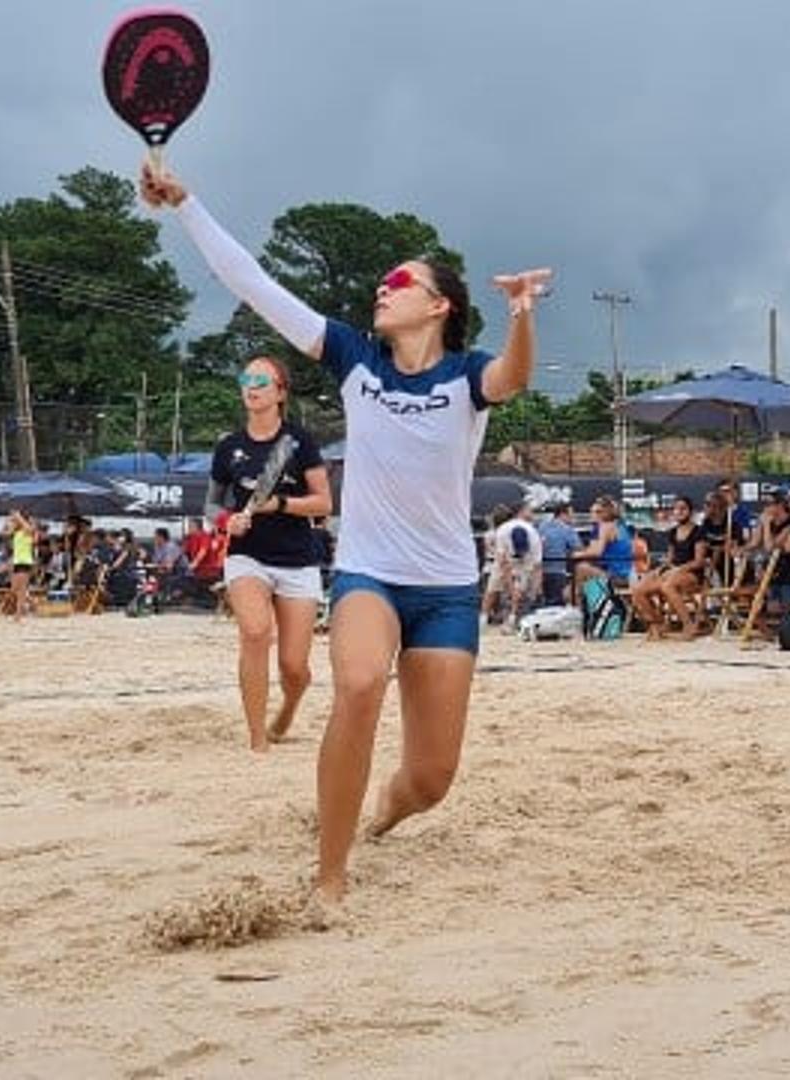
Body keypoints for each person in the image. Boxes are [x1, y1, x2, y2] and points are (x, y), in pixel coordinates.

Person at [145, 159, 550, 906]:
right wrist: (186, 204)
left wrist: (523, 312)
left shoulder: (466, 377)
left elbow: (515, 379)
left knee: (430, 779)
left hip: (447, 589)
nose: (383, 289)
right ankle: (329, 879)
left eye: (400, 282)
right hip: (370, 572)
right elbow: (255, 285)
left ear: (439, 306)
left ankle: (386, 815)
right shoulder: (355, 360)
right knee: (359, 683)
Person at [207, 355, 334, 752]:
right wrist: (227, 519)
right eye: (246, 377)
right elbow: (211, 506)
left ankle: (289, 706)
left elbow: (323, 503)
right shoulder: (229, 447)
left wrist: (277, 504)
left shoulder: (300, 441)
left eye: (262, 379)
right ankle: (257, 738)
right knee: (255, 632)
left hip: (298, 557)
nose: (252, 385)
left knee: (294, 668)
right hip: (247, 556)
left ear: (281, 392)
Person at [630, 495, 710, 638]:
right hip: (673, 572)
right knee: (638, 589)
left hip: (692, 575)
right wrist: (660, 569)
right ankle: (657, 623)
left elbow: (699, 561)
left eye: (683, 509)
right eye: (676, 509)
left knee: (668, 586)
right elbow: (670, 559)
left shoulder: (699, 531)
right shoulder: (673, 532)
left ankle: (688, 625)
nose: (679, 512)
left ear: (690, 512)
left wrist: (678, 569)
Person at [571, 495, 636, 600]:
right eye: (592, 512)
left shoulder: (605, 526)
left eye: (597, 512)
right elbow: (594, 549)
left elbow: (597, 552)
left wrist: (576, 554)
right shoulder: (621, 525)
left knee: (581, 568)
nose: (593, 515)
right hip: (625, 574)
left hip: (616, 576)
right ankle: (588, 604)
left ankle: (578, 608)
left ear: (606, 513)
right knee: (567, 592)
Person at [490, 503, 542, 630]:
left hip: (523, 567)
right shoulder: (506, 532)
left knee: (519, 592)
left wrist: (536, 589)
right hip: (510, 565)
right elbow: (503, 563)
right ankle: (508, 619)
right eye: (529, 510)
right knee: (510, 591)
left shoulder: (532, 535)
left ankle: (513, 619)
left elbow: (537, 566)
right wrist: (510, 586)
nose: (533, 513)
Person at [537, 504, 582, 607]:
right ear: (563, 514)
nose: (573, 517)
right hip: (558, 572)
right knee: (557, 605)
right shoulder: (567, 529)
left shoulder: (542, 526)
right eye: (571, 514)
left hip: (541, 572)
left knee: (545, 604)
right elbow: (578, 548)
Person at [4, 509, 39, 622]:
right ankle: (33, 602)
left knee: (22, 590)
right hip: (17, 562)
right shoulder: (17, 532)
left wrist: (18, 516)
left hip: (25, 562)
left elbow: (29, 528)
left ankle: (18, 615)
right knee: (14, 589)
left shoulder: (27, 530)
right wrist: (9, 520)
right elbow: (4, 533)